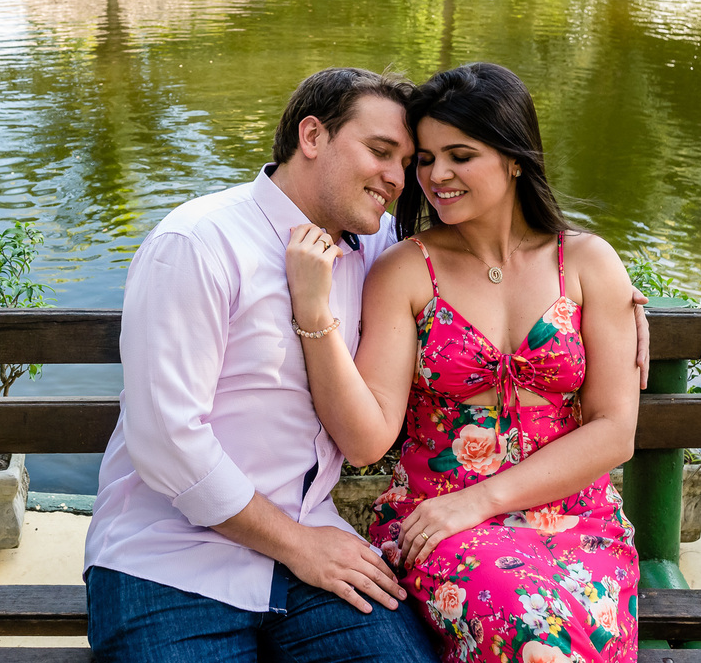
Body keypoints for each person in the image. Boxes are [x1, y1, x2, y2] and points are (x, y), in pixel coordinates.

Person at [285, 62, 640, 663]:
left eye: (459, 155)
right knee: (532, 634)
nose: (434, 176)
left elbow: (614, 431)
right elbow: (368, 436)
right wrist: (314, 311)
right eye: (424, 159)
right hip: (439, 520)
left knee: (573, 632)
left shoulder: (585, 263)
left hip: (576, 519)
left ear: (515, 158)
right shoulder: (404, 269)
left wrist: (484, 499)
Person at [82, 68, 440, 663]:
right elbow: (168, 441)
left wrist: (606, 292)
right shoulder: (199, 243)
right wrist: (299, 545)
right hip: (170, 560)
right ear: (312, 136)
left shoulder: (372, 249)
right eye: (380, 152)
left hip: (315, 553)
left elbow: (487, 254)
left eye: (406, 162)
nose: (398, 179)